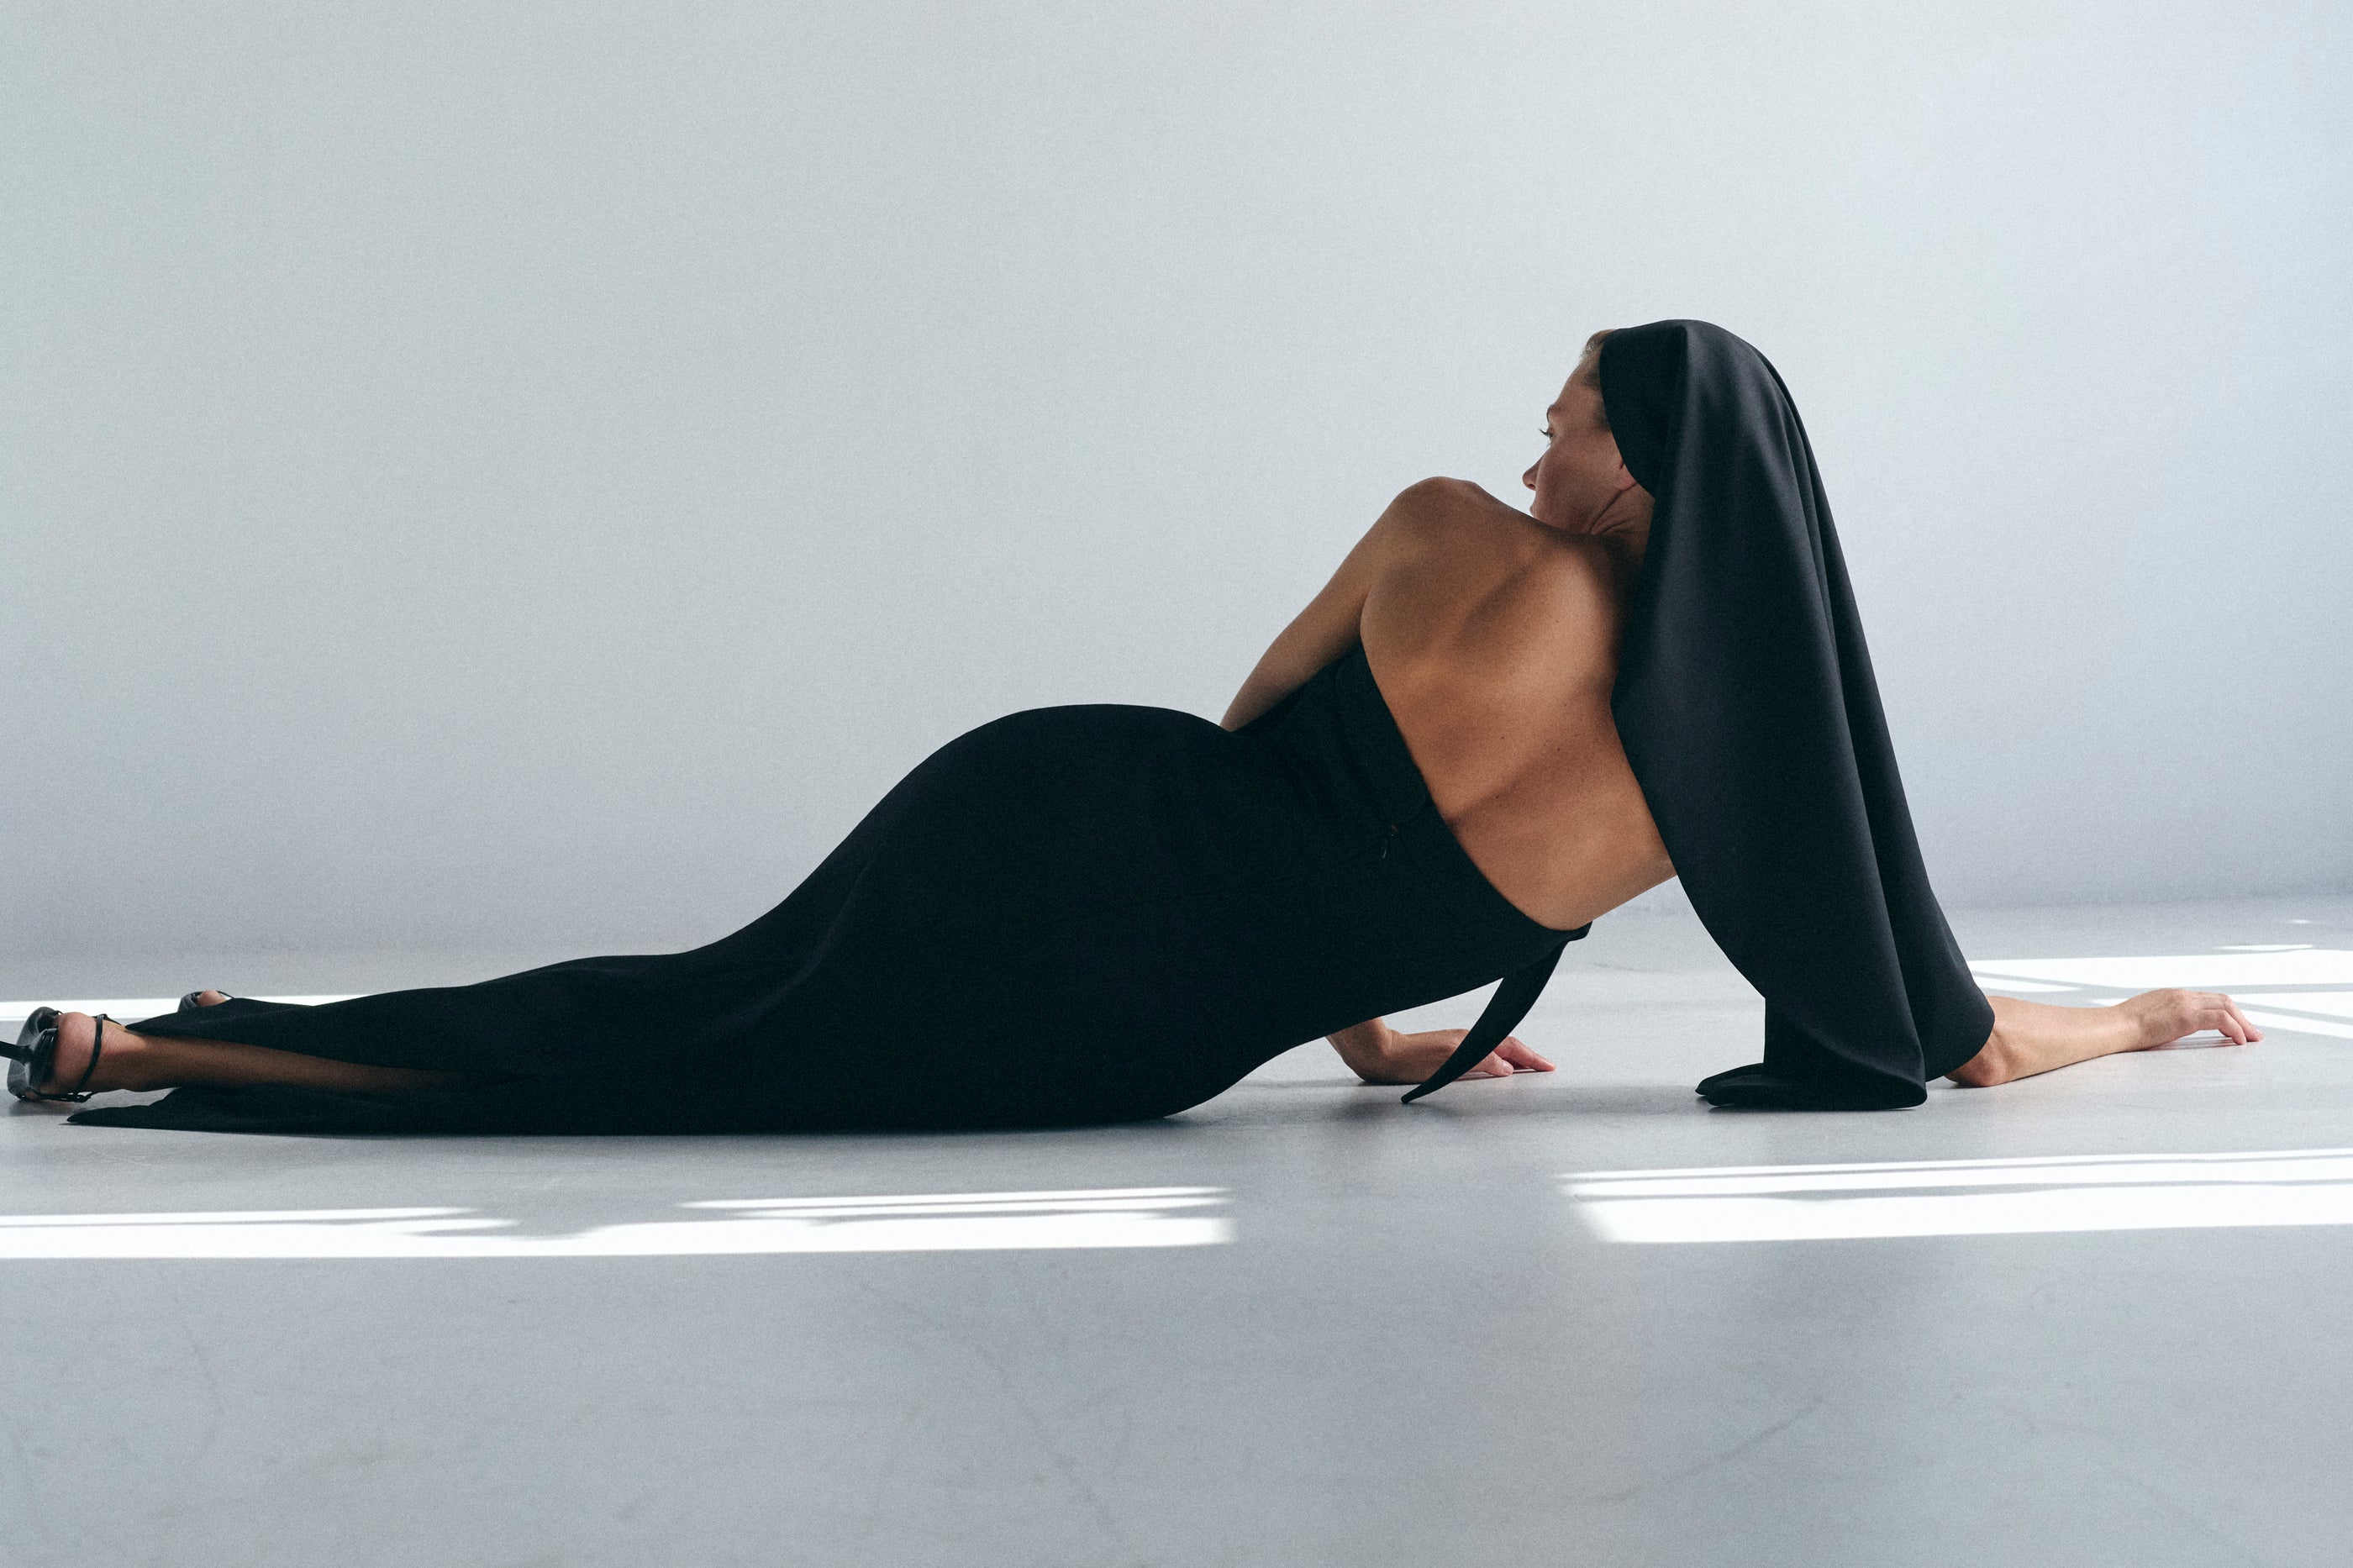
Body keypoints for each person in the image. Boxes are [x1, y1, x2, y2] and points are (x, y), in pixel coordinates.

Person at [8, 322, 2260, 1134]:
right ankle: (168, 1046)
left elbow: (1252, 722)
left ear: (1653, 457)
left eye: (1575, 410)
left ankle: (201, 1032)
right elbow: (1952, 1031)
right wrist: (2146, 1010)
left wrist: (1366, 1011)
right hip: (1158, 1015)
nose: (1539, 427)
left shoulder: (1440, 525)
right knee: (692, 1047)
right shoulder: (1707, 799)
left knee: (684, 1019)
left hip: (1059, 812)